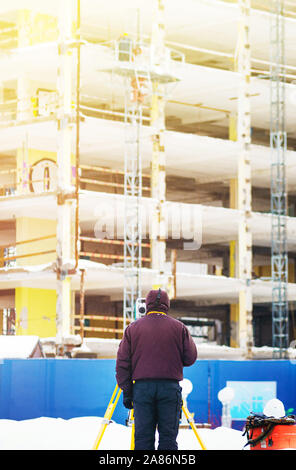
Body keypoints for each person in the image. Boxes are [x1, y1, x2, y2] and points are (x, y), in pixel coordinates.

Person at [115, 288, 197, 450]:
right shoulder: (179, 328)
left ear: (147, 305)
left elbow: (123, 363)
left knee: (143, 438)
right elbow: (190, 358)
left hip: (142, 389)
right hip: (169, 389)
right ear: (167, 305)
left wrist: (127, 391)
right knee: (168, 437)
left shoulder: (133, 328)